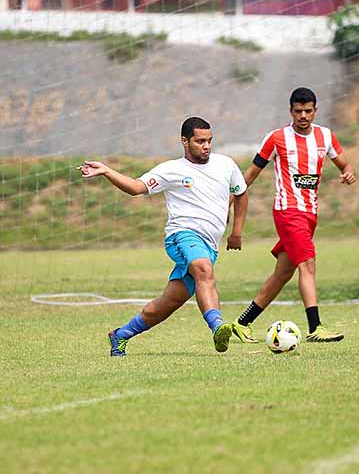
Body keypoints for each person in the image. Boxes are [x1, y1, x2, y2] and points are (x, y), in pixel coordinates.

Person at [79, 117, 248, 356]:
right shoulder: (172, 169)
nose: (207, 146)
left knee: (170, 302)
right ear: (184, 141)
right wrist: (107, 171)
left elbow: (241, 193)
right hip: (182, 236)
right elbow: (136, 187)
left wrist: (237, 232)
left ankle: (120, 335)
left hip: (209, 245)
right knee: (203, 270)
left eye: (209, 141)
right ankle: (218, 327)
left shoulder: (226, 165)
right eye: (200, 141)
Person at [230, 87, 357, 344]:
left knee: (283, 273)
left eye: (308, 111)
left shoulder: (326, 136)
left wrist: (348, 173)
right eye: (298, 111)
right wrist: (228, 201)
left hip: (310, 214)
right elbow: (250, 175)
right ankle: (315, 327)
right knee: (307, 265)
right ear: (290, 111)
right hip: (288, 211)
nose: (303, 116)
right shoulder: (276, 138)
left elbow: (344, 164)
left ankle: (242, 323)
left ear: (315, 111)